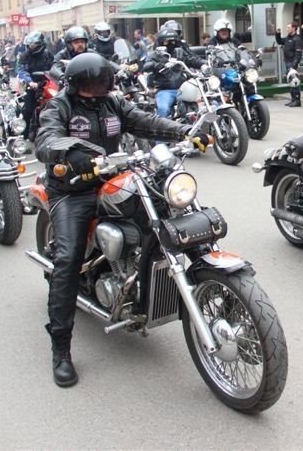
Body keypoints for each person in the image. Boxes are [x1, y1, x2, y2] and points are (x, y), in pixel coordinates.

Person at [35, 52, 209, 387]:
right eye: (91, 85)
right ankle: (60, 348)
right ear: (75, 85)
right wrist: (74, 153)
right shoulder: (59, 107)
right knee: (67, 259)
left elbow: (146, 121)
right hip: (72, 188)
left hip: (115, 176)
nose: (97, 90)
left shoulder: (112, 103)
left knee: (165, 214)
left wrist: (185, 131)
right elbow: (47, 140)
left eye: (102, 83)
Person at [142, 27, 205, 118]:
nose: (171, 44)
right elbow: (146, 66)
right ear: (160, 42)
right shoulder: (156, 54)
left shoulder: (180, 52)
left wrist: (203, 64)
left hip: (184, 88)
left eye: (173, 41)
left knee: (203, 104)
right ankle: (161, 130)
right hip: (166, 90)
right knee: (163, 109)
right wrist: (156, 65)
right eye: (167, 42)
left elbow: (192, 59)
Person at [17, 31, 55, 139]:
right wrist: (30, 81)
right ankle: (23, 136)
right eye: (29, 45)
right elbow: (22, 70)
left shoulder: (48, 54)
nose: (30, 47)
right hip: (33, 85)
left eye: (33, 45)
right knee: (28, 109)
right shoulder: (25, 56)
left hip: (48, 84)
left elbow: (55, 67)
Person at [275, 22, 303, 107]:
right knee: (290, 81)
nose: (287, 29)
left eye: (288, 27)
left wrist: (293, 66)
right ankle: (293, 99)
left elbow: (298, 54)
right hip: (287, 61)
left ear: (294, 28)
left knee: (295, 81)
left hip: (292, 63)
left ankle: (297, 100)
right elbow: (280, 41)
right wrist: (277, 34)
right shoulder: (288, 38)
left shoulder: (297, 39)